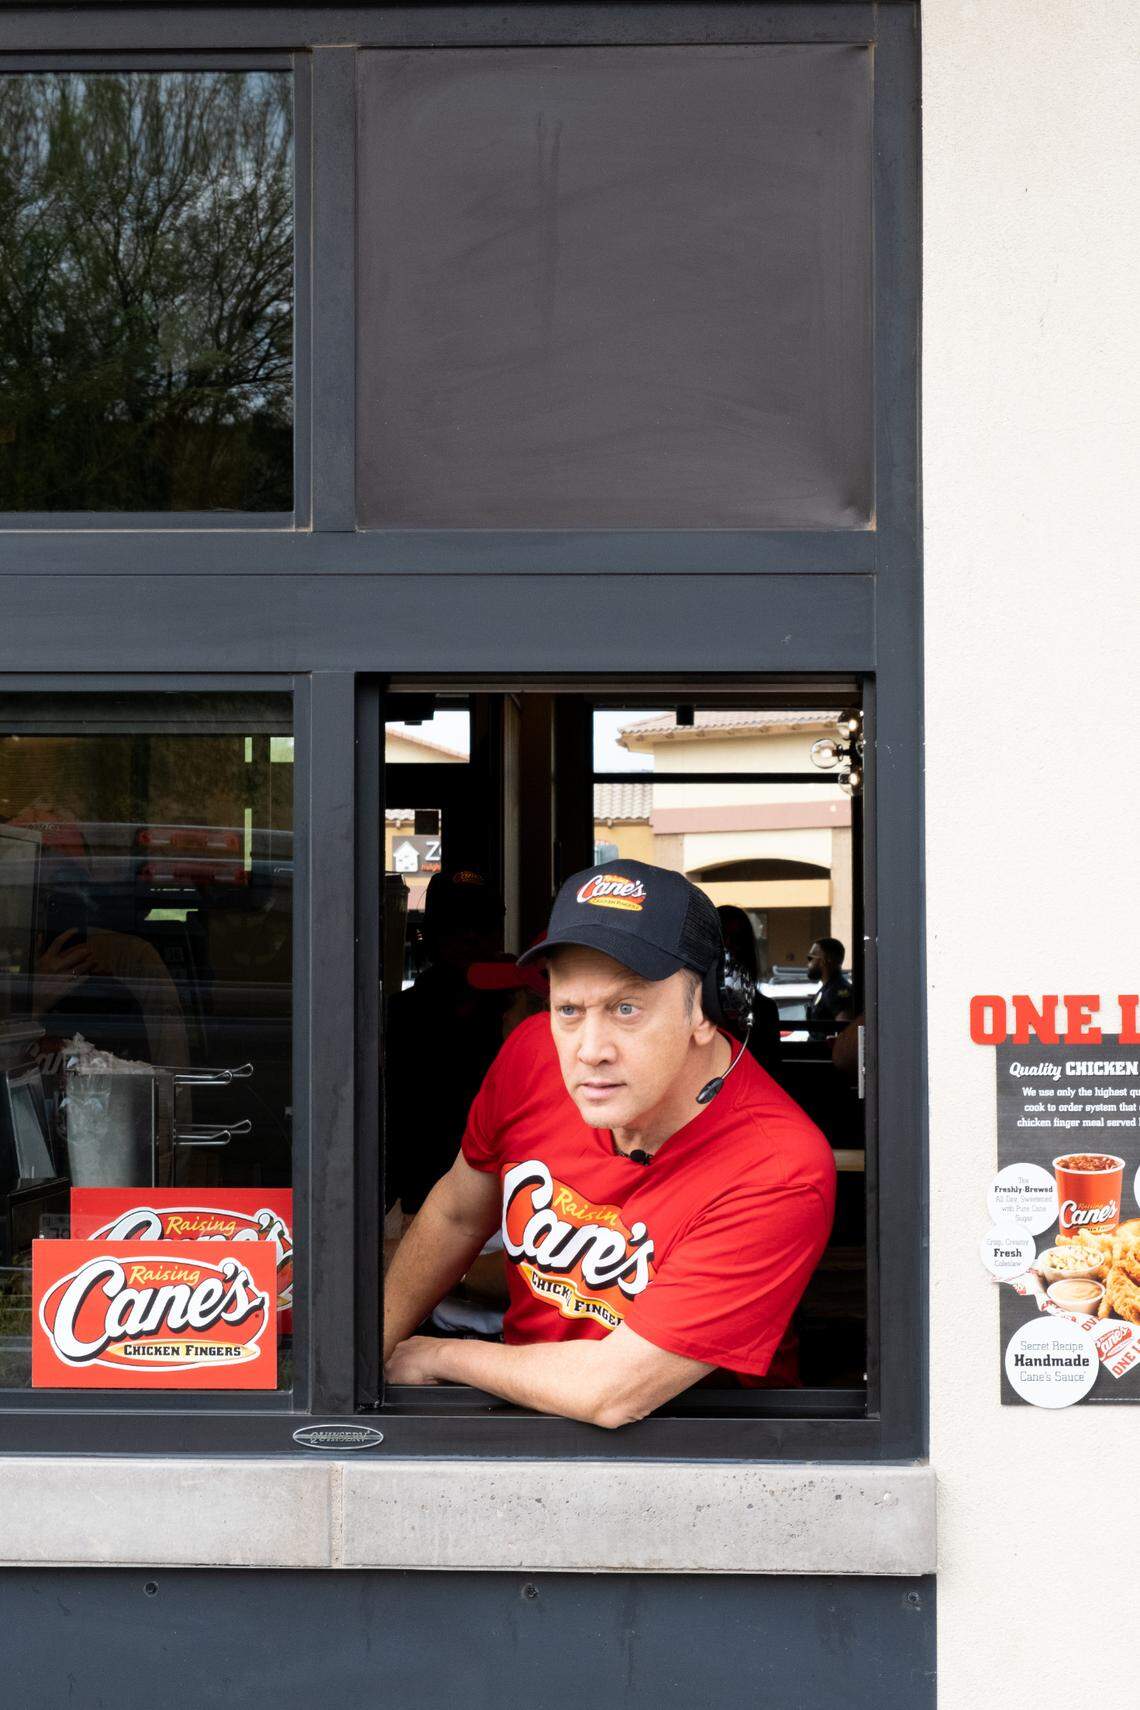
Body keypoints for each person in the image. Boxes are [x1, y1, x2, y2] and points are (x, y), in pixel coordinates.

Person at [384, 860, 836, 1427]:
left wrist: (440, 1354)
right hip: (519, 1419)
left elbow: (614, 1390)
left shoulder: (778, 1167)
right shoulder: (532, 1055)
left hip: (698, 1455)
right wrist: (363, 1358)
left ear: (707, 1008)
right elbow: (455, 1214)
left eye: (626, 1009)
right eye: (569, 1009)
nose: (589, 1050)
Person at [384, 868, 506, 1215]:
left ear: (498, 934)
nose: (470, 937)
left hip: (515, 1201)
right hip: (421, 1202)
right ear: (429, 935)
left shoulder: (525, 1014)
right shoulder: (400, 1017)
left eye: (481, 924)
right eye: (456, 925)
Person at [715, 904, 782, 1079]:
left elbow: (769, 1070)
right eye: (722, 940)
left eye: (737, 940)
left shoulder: (764, 1010)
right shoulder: (690, 1008)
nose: (728, 950)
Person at [806, 937, 853, 1039]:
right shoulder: (827, 989)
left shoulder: (837, 991)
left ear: (826, 960)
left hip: (826, 1054)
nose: (808, 963)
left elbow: (845, 1033)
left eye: (811, 958)